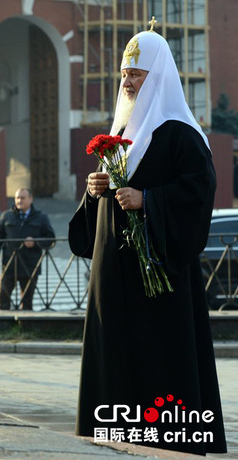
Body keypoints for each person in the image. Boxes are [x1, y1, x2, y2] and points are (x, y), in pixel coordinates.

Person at [69, 30, 226, 454]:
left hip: (160, 280)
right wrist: (94, 190)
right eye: (124, 74)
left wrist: (149, 201)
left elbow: (200, 191)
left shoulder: (181, 134)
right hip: (115, 276)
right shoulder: (121, 131)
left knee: (159, 360)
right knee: (116, 359)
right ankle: (116, 434)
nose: (128, 82)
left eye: (137, 73)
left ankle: (166, 438)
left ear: (158, 77)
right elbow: (107, 202)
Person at [0, 188, 55, 310]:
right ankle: (2, 326)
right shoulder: (6, 216)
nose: (19, 200)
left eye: (23, 198)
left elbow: (51, 239)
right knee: (3, 299)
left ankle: (25, 326)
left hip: (30, 266)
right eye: (17, 198)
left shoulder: (41, 217)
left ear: (31, 199)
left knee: (27, 301)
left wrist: (35, 242)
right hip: (9, 265)